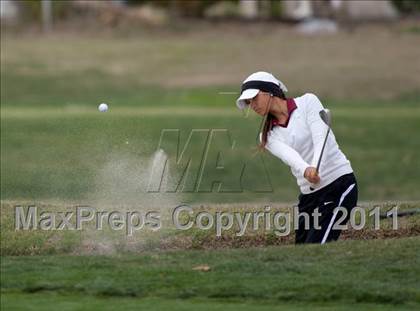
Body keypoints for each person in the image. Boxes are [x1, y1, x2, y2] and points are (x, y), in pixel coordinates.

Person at [236, 71, 358, 244]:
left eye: (254, 99)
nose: (252, 105)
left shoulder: (308, 102)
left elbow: (320, 136)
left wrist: (315, 166)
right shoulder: (267, 136)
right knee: (302, 253)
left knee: (316, 248)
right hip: (309, 198)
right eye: (248, 102)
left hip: (339, 185)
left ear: (269, 91)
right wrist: (307, 170)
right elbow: (290, 157)